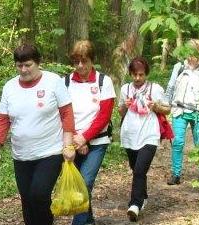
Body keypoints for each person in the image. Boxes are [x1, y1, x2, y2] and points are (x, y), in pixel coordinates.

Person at [0, 43, 75, 225]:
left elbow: (66, 113)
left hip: (50, 152)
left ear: (38, 62)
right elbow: (3, 120)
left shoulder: (53, 81)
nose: (23, 70)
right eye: (19, 66)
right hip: (21, 155)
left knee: (39, 194)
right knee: (27, 200)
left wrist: (68, 145)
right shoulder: (10, 87)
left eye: (28, 65)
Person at [64, 40, 116, 225]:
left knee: (84, 183)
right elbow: (63, 112)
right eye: (76, 61)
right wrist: (76, 139)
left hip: (97, 142)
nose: (80, 66)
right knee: (79, 185)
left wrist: (85, 138)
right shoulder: (66, 82)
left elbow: (104, 115)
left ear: (92, 60)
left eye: (84, 61)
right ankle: (88, 219)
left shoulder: (104, 81)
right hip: (72, 139)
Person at [119, 57, 169, 222]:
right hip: (130, 134)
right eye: (134, 74)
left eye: (141, 74)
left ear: (146, 74)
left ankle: (135, 205)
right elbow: (121, 112)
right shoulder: (125, 88)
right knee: (136, 169)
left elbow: (167, 109)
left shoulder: (155, 89)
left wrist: (156, 106)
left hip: (149, 134)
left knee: (140, 170)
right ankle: (143, 196)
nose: (137, 78)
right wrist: (124, 106)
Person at [165, 39, 199, 185]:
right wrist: (166, 104)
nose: (192, 55)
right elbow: (170, 86)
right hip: (179, 110)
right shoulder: (179, 67)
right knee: (178, 142)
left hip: (198, 111)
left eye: (197, 52)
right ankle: (175, 174)